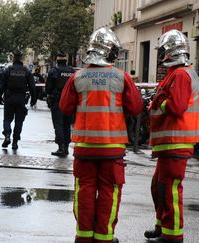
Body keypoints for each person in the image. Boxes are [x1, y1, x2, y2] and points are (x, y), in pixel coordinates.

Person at [60, 28, 142, 243]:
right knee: (109, 192)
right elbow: (136, 108)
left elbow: (65, 108)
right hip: (112, 148)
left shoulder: (77, 77)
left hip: (85, 147)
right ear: (110, 52)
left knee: (84, 191)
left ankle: (84, 236)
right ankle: (104, 237)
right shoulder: (121, 77)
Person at [145, 29, 199, 243]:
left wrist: (156, 103)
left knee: (169, 189)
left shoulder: (180, 74)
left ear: (169, 51)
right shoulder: (179, 73)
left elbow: (176, 107)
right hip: (170, 143)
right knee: (159, 187)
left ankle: (173, 235)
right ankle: (162, 226)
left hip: (176, 142)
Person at [0, 49, 37, 150]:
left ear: (14, 58)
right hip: (21, 99)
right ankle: (15, 142)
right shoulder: (26, 70)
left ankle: (7, 135)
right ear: (21, 58)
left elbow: (1, 85)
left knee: (7, 119)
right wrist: (34, 98)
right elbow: (32, 86)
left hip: (9, 98)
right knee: (19, 121)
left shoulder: (8, 70)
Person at [46, 51, 75, 157]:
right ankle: (66, 147)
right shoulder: (72, 71)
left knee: (58, 124)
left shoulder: (54, 71)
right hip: (70, 101)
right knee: (67, 124)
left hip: (58, 101)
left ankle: (61, 147)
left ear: (57, 60)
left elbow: (48, 88)